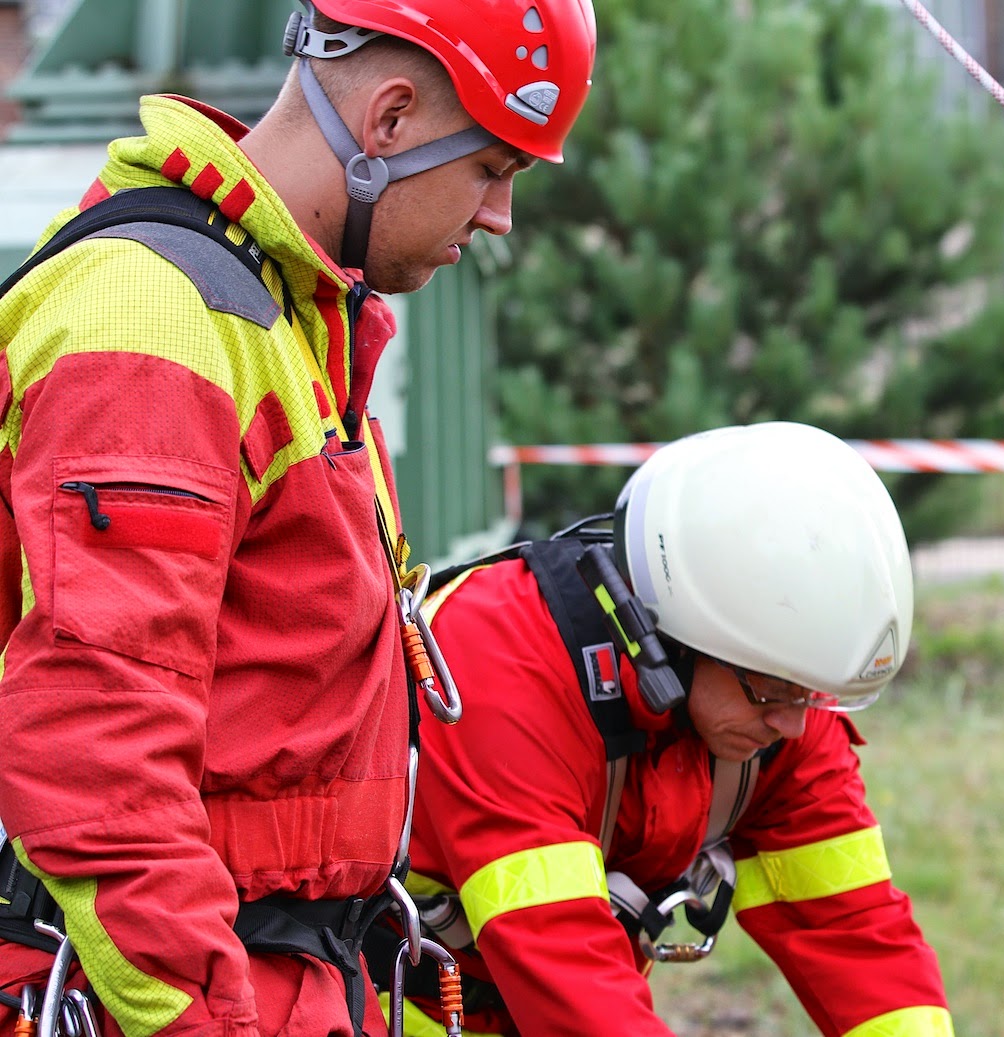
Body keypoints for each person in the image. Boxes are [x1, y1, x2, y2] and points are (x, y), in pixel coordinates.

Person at [0, 2, 594, 1036]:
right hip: (169, 989)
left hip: (283, 969)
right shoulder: (152, 319)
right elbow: (100, 749)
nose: (497, 214)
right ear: (392, 121)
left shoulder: (279, 310)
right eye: (493, 168)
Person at [372, 421, 955, 1037]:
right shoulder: (502, 667)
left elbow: (857, 936)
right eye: (777, 691)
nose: (794, 722)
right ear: (675, 639)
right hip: (386, 1008)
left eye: (813, 694)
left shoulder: (772, 688)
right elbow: (568, 977)